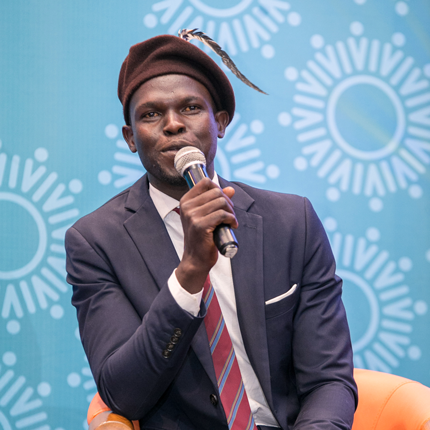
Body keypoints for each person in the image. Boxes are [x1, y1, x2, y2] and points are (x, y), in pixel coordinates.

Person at [66, 34, 357, 430]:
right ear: (131, 139)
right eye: (151, 115)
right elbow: (124, 393)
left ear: (219, 122)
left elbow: (329, 379)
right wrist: (188, 275)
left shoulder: (292, 221)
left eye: (189, 108)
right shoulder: (96, 241)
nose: (172, 124)